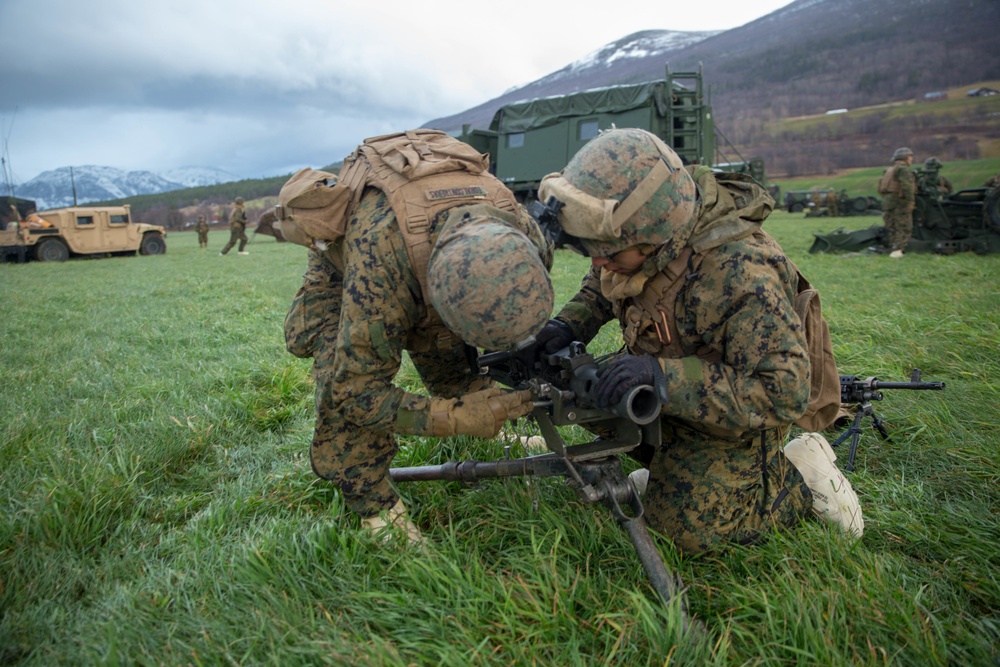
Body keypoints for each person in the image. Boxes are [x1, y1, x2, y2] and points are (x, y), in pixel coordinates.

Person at [531, 128, 862, 555]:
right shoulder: (641, 236)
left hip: (739, 412)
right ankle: (676, 471)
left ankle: (798, 474)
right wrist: (566, 326)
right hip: (674, 381)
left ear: (654, 235)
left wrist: (661, 377)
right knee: (583, 392)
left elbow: (783, 390)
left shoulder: (740, 270)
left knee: (687, 535)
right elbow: (603, 284)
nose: (599, 261)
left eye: (609, 251)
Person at [277, 130, 554, 544]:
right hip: (354, 268)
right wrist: (454, 418)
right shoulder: (379, 271)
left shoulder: (526, 238)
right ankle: (378, 512)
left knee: (452, 364)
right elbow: (357, 391)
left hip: (424, 257)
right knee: (338, 378)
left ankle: (496, 420)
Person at [877, 147, 916, 258]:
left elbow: (880, 187)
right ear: (905, 157)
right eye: (910, 156)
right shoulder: (903, 169)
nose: (911, 159)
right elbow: (906, 186)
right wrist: (910, 200)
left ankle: (892, 247)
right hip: (899, 200)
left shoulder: (890, 169)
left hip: (888, 200)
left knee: (892, 225)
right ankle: (898, 250)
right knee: (904, 225)